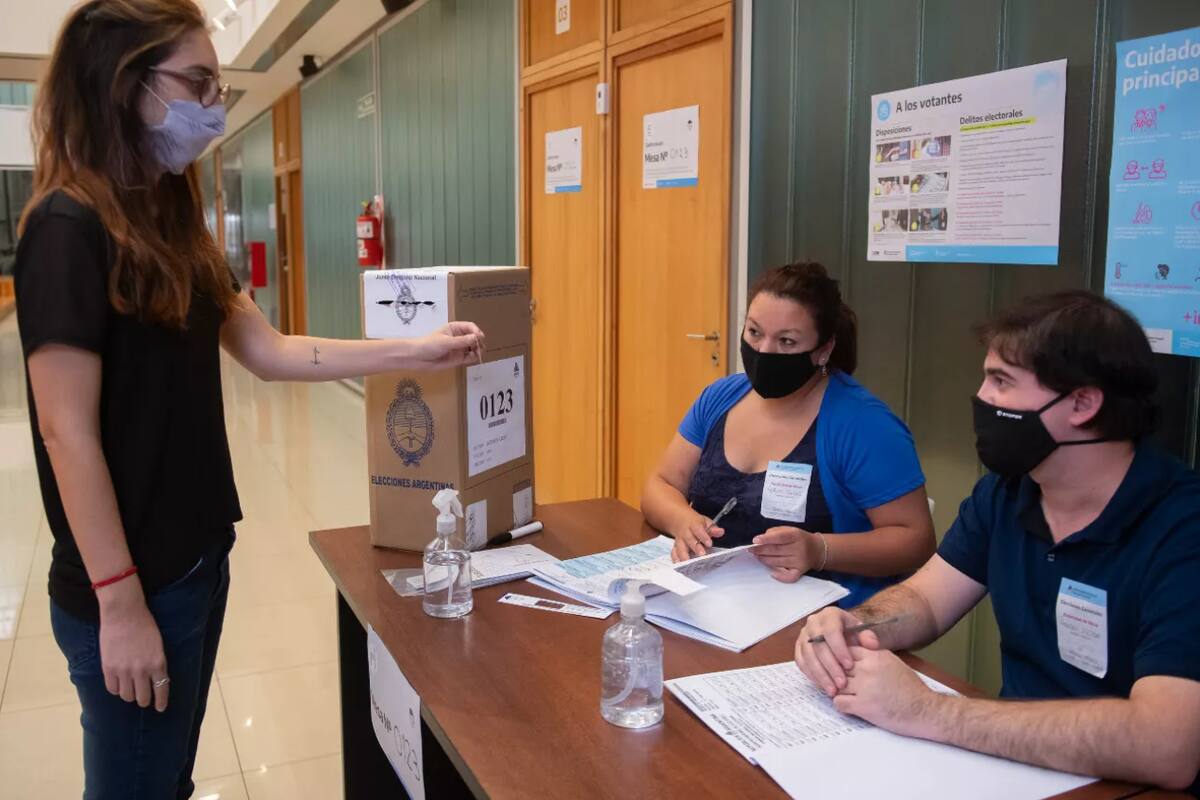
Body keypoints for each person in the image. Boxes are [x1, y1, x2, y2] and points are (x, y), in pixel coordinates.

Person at [13, 1, 485, 796]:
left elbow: (270, 350)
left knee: (167, 776)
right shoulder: (66, 227)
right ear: (126, 83)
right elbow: (66, 433)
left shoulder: (169, 222)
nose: (212, 105)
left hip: (197, 558)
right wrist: (118, 603)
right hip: (131, 585)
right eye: (197, 82)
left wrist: (419, 348)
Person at [795, 290, 1200, 793]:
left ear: (1082, 403)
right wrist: (854, 626)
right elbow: (925, 600)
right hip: (1014, 768)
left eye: (1001, 382)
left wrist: (929, 712)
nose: (982, 398)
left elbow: (1167, 745)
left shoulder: (1182, 527)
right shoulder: (1009, 492)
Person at [641, 262, 935, 608]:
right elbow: (660, 484)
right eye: (754, 332)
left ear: (823, 350)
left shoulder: (864, 426)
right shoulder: (720, 397)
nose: (765, 351)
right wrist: (683, 520)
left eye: (786, 341)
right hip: (711, 606)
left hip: (818, 623)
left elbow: (916, 541)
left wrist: (819, 550)